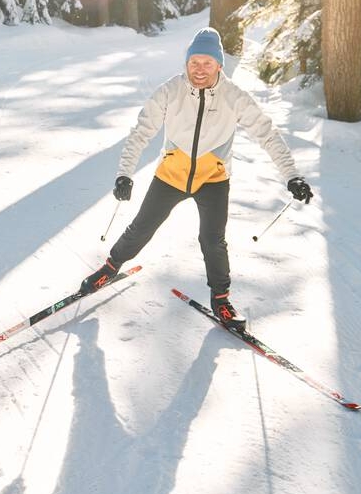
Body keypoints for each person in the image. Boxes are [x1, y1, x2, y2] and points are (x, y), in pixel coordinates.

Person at [79, 28, 313, 331]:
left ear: (218, 65)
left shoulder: (234, 97)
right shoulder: (170, 91)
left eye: (206, 63)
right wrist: (125, 173)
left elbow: (267, 134)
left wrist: (292, 176)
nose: (199, 70)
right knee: (141, 228)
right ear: (186, 63)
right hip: (170, 175)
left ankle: (221, 301)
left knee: (213, 241)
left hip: (213, 180)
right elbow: (141, 132)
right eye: (194, 63)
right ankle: (110, 269)